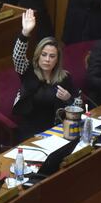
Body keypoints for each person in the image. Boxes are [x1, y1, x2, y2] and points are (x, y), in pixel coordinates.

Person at [12, 9, 75, 142]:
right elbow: (17, 57)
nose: (47, 59)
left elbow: (77, 105)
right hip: (30, 132)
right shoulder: (28, 71)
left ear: (57, 60)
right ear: (38, 55)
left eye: (52, 56)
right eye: (44, 54)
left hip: (57, 131)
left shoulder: (64, 78)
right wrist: (25, 33)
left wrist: (69, 99)